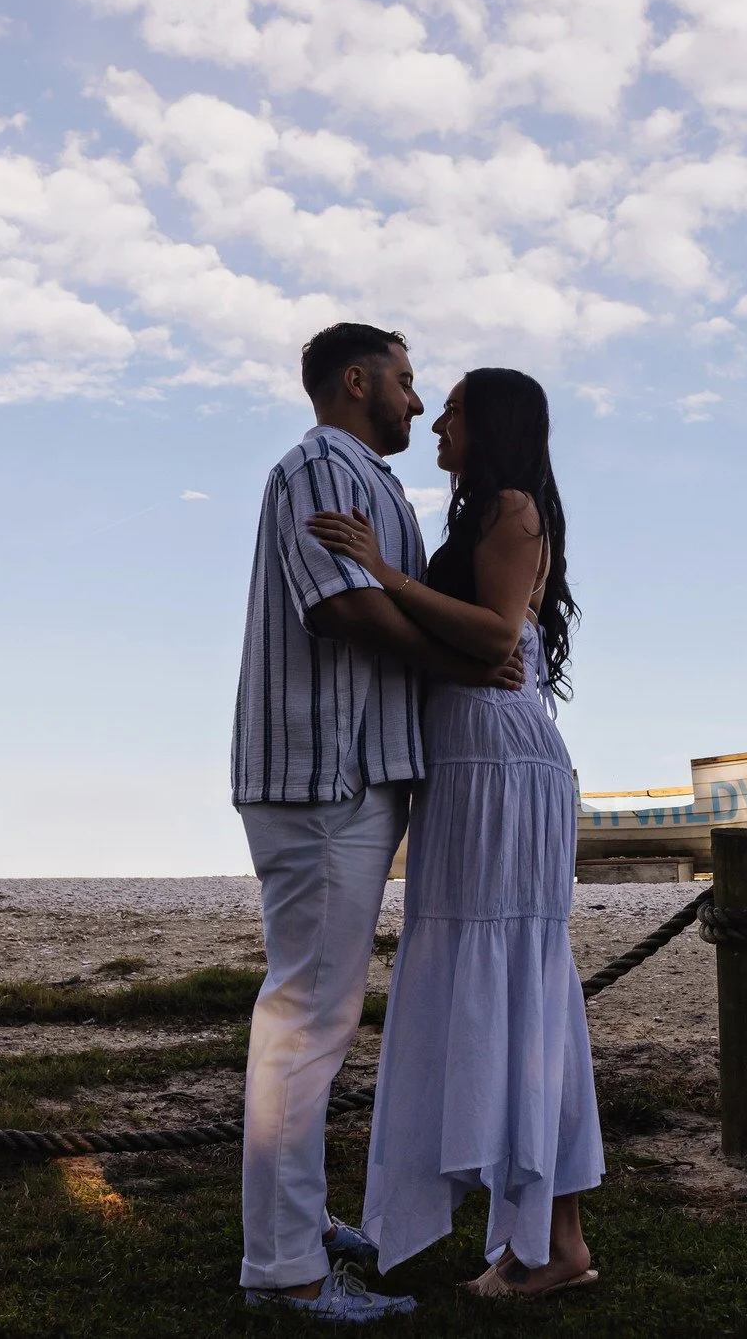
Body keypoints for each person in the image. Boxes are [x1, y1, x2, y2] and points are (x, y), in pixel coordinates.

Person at [232, 324, 523, 1324]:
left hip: (350, 780)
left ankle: (303, 1232)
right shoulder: (319, 466)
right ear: (355, 382)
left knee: (320, 1017)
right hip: (320, 778)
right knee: (306, 1021)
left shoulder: (370, 482)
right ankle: (286, 1273)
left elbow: (385, 601)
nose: (414, 401)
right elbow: (344, 611)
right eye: (404, 383)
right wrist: (461, 665)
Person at [308, 367, 602, 1298]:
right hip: (474, 771)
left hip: (505, 769)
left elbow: (497, 636)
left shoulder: (512, 508)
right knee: (506, 991)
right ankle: (551, 1241)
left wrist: (381, 573)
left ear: (496, 423)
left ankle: (555, 1243)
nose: (437, 417)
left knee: (516, 990)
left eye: (458, 407)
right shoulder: (482, 514)